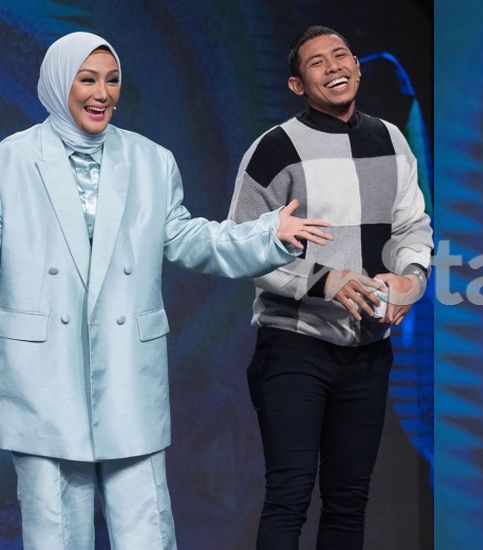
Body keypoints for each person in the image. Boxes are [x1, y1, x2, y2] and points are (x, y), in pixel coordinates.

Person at [0, 32, 332, 549]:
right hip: (44, 372)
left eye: (112, 80)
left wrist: (268, 235)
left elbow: (189, 238)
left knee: (145, 530)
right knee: (54, 531)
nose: (102, 93)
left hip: (126, 369)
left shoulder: (150, 160)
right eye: (87, 80)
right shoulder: (11, 161)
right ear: (58, 84)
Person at [228, 25, 432, 550]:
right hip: (293, 346)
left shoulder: (391, 139)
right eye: (317, 62)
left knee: (348, 500)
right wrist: (322, 280)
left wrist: (410, 278)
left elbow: (412, 227)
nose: (334, 66)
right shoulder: (275, 148)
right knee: (289, 497)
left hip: (366, 350)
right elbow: (242, 246)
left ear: (358, 66)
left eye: (341, 55)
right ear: (297, 85)